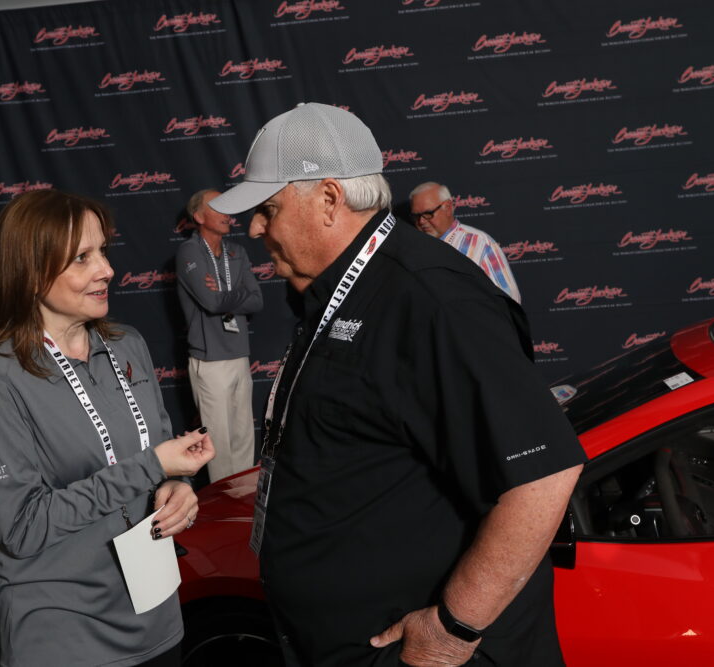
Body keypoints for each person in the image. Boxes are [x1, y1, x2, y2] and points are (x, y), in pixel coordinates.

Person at [210, 103, 586, 666]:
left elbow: (546, 475)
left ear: (330, 201)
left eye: (267, 208)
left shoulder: (434, 298)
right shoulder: (333, 290)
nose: (256, 227)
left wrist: (453, 628)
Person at [0, 189, 214, 667]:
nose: (107, 270)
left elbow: (159, 450)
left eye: (103, 251)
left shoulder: (128, 347)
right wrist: (151, 467)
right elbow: (22, 528)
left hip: (157, 618)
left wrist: (177, 485)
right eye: (82, 258)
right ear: (32, 272)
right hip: (65, 632)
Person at [176, 189, 264, 482]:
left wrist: (225, 292)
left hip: (240, 354)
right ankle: (225, 508)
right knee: (220, 443)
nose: (228, 213)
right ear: (199, 217)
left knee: (243, 437)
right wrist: (235, 294)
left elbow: (257, 300)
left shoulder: (237, 252)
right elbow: (210, 302)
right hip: (210, 359)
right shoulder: (189, 252)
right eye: (218, 207)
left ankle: (243, 503)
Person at [409, 181, 521, 304]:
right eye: (416, 216)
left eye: (428, 214)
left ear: (448, 207)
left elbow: (509, 299)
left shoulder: (480, 243)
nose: (421, 221)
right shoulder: (413, 250)